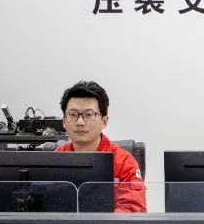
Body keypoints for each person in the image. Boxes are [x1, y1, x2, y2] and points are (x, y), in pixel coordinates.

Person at [55, 81, 146, 212]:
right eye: (73, 115)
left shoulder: (124, 162)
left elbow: (134, 209)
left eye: (89, 115)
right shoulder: (55, 159)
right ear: (64, 121)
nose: (80, 122)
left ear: (104, 121)